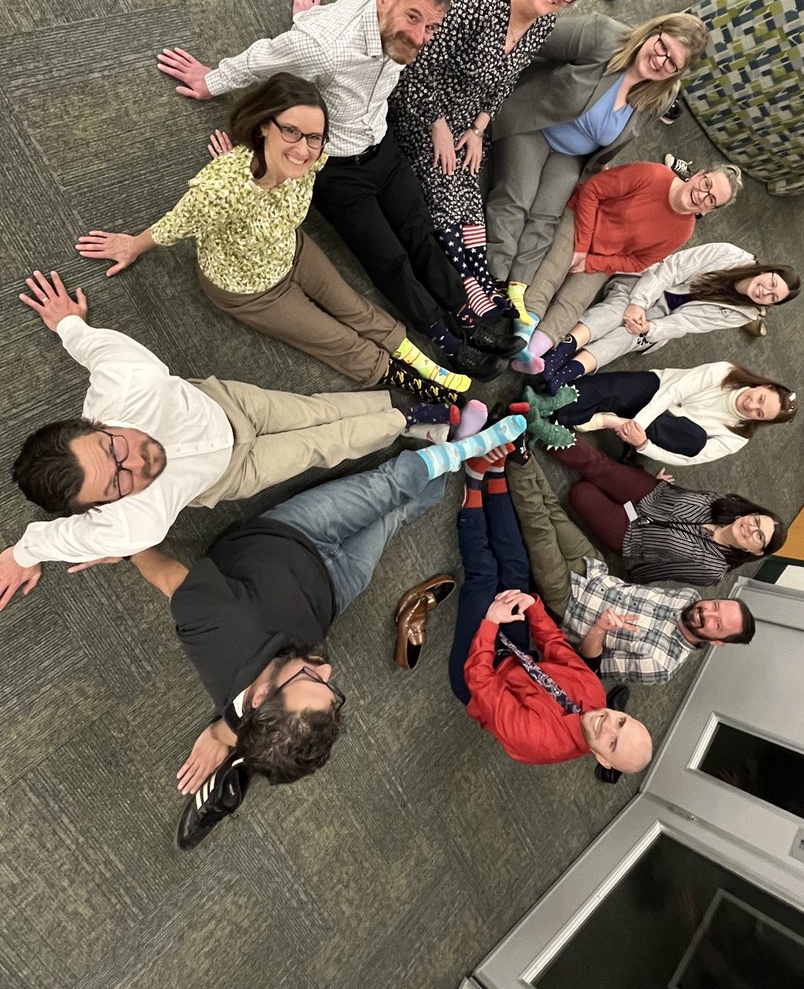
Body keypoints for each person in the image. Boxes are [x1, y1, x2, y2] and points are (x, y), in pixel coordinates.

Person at [121, 416, 524, 849]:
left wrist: (124, 542)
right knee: (399, 516)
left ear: (258, 697)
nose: (327, 666)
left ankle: (460, 448)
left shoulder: (217, 628)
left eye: (310, 679)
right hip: (335, 591)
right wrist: (225, 735)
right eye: (332, 689)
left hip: (290, 537)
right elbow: (246, 723)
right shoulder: (259, 712)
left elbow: (167, 577)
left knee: (389, 486)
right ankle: (443, 466)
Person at [0, 269, 476, 610]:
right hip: (231, 475)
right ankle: (405, 420)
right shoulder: (127, 527)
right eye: (118, 484)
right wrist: (24, 554)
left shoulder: (127, 379)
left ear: (95, 422)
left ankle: (401, 415)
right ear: (102, 506)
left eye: (114, 448)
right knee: (321, 446)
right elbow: (65, 535)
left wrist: (69, 324)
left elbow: (95, 350)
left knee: (318, 410)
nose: (139, 464)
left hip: (229, 404)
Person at [156, 0, 506, 380]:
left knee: (421, 232)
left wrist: (308, 19)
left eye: (431, 26)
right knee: (390, 258)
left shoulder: (389, 30)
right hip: (339, 170)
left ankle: (465, 314)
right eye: (413, 18)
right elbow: (266, 58)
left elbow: (339, 32)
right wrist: (211, 81)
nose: (420, 37)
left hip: (382, 141)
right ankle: (444, 337)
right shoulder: (323, 45)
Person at [76, 74, 468, 401]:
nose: (303, 149)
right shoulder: (219, 190)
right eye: (291, 132)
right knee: (339, 341)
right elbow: (172, 227)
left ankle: (427, 362)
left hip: (293, 250)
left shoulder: (316, 156)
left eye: (313, 137)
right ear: (265, 125)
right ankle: (414, 383)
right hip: (249, 289)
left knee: (358, 309)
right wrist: (131, 245)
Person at [387, 0, 597, 329]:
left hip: (463, 116)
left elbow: (506, 80)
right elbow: (417, 63)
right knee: (445, 183)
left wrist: (478, 128)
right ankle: (468, 295)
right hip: (419, 102)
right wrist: (439, 126)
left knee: (470, 200)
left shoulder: (541, 23)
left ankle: (480, 284)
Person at [485, 11, 709, 319]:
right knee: (518, 198)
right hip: (534, 124)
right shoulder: (602, 35)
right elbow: (533, 37)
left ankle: (517, 289)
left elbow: (623, 136)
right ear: (653, 30)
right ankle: (491, 278)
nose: (661, 61)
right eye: (662, 47)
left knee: (546, 217)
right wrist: (489, 93)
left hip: (572, 156)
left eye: (673, 64)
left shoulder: (660, 94)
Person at [447, 445, 652, 771]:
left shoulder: (536, 741)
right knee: (517, 572)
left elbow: (481, 681)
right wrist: (533, 607)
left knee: (485, 579)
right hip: (519, 658)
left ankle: (472, 487)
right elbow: (556, 649)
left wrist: (490, 623)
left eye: (612, 742)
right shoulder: (595, 696)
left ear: (602, 758)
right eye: (622, 722)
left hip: (477, 680)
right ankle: (497, 476)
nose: (606, 722)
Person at [503, 447, 756, 682]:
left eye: (717, 624)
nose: (706, 612)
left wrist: (601, 628)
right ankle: (521, 450)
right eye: (715, 606)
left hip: (567, 602)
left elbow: (590, 666)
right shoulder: (689, 597)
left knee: (539, 527)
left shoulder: (659, 665)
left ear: (717, 642)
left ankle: (515, 455)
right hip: (594, 569)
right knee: (554, 512)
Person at [510, 160, 742, 373]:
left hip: (606, 256)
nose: (702, 195)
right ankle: (522, 334)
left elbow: (638, 262)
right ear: (699, 175)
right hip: (581, 220)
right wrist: (581, 247)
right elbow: (593, 190)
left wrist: (592, 262)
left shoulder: (684, 231)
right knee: (552, 271)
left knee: (573, 302)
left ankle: (532, 353)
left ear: (707, 211)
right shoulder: (653, 174)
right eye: (706, 184)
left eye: (711, 200)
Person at [538, 244, 801, 391]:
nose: (765, 291)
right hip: (647, 285)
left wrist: (649, 328)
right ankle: (561, 352)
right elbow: (671, 269)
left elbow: (687, 323)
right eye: (771, 282)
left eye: (772, 297)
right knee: (615, 310)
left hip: (663, 319)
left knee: (629, 336)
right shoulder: (731, 255)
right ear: (769, 270)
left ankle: (570, 372)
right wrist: (639, 304)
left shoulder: (742, 314)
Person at [546, 437, 787, 586]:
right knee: (598, 465)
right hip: (651, 495)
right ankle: (541, 429)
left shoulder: (711, 570)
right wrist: (661, 484)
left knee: (581, 493)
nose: (751, 528)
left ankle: (616, 476)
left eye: (759, 536)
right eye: (756, 520)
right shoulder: (725, 504)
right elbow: (686, 493)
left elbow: (664, 570)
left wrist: (631, 575)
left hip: (632, 536)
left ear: (754, 551)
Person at [529, 361, 798, 465]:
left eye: (760, 413)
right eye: (760, 398)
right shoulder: (726, 372)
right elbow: (673, 393)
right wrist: (637, 423)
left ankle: (576, 421)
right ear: (762, 385)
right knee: (611, 390)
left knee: (695, 442)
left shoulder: (738, 437)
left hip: (659, 431)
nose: (752, 406)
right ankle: (551, 407)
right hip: (659, 391)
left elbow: (686, 459)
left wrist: (642, 443)